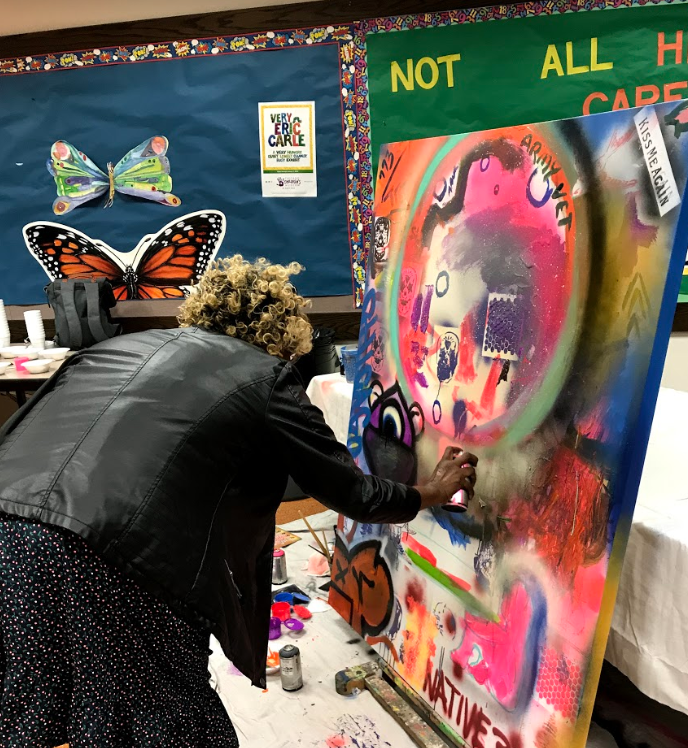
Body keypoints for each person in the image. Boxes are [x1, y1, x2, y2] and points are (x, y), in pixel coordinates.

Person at [0, 256, 478, 747]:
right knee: (163, 717)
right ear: (283, 337)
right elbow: (352, 491)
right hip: (105, 552)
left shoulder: (113, 348)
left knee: (34, 704)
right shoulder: (264, 376)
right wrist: (430, 493)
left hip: (7, 530)